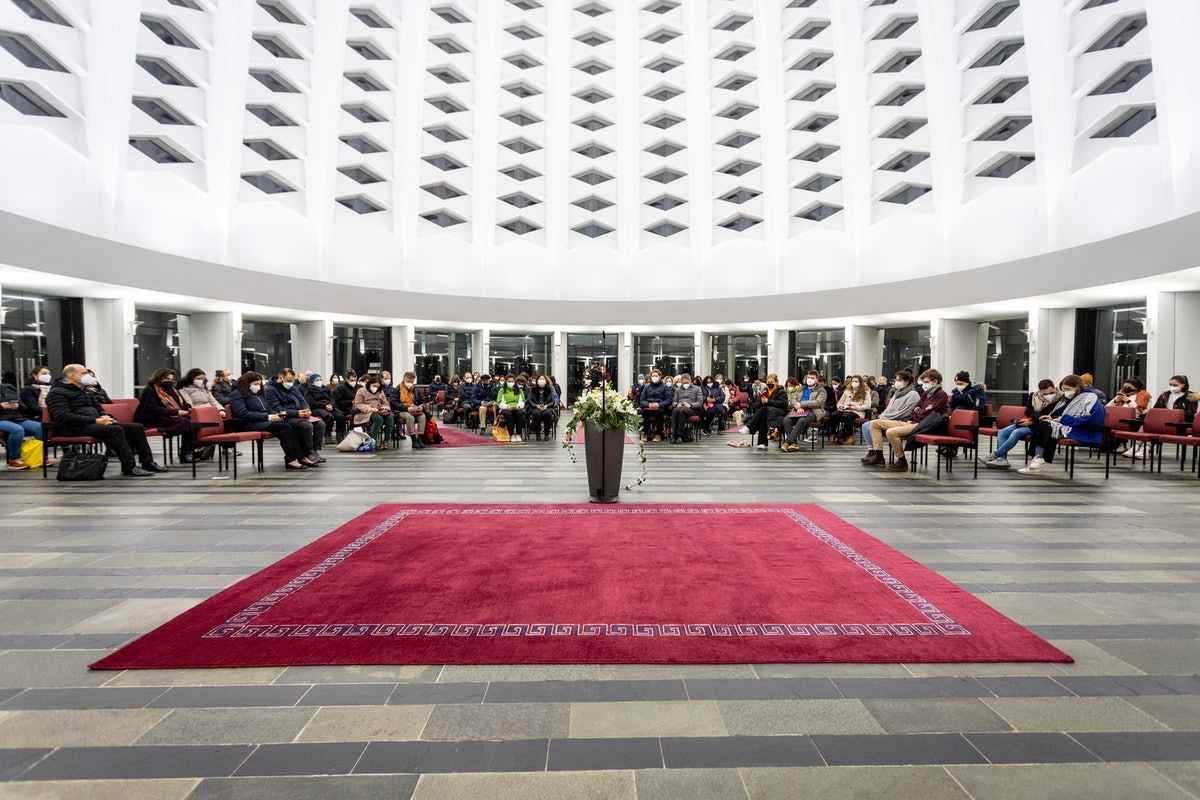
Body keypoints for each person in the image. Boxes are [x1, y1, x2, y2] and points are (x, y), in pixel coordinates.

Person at [46, 364, 167, 477]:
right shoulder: (57, 393)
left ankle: (148, 462)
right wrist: (95, 420)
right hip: (73, 428)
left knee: (136, 427)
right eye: (84, 373)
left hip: (94, 424)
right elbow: (63, 416)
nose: (87, 376)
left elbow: (99, 407)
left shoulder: (86, 391)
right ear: (72, 375)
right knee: (115, 430)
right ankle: (129, 467)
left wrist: (107, 417)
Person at [1017, 374, 1106, 475]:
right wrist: (1054, 418)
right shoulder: (1074, 397)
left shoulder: (1091, 398)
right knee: (1045, 424)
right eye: (1063, 390)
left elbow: (1090, 420)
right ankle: (1038, 458)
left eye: (1067, 389)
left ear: (1076, 387)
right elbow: (1062, 413)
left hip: (1085, 430)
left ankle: (1038, 459)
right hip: (1071, 426)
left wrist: (1064, 420)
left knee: (1047, 427)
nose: (1065, 392)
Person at [229, 371, 317, 469]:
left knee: (295, 425)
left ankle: (302, 456)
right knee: (284, 427)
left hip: (263, 421)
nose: (258, 386)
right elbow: (243, 414)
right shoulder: (237, 394)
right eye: (255, 384)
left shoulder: (257, 394)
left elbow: (268, 408)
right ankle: (290, 459)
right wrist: (269, 417)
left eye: (259, 384)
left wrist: (277, 414)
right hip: (249, 423)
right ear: (247, 383)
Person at [981, 379, 1059, 469]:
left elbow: (1054, 415)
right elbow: (1029, 411)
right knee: (1002, 432)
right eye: (1045, 394)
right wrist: (1038, 418)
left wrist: (1036, 420)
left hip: (1040, 426)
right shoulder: (1033, 396)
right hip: (1029, 422)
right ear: (1040, 391)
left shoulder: (1060, 398)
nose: (1048, 396)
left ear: (1054, 388)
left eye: (1051, 393)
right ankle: (1002, 459)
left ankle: (995, 455)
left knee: (1016, 433)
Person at [860, 369, 922, 468]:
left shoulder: (913, 395)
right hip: (890, 418)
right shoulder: (897, 393)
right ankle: (873, 452)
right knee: (865, 425)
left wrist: (884, 417)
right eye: (896, 380)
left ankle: (879, 455)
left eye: (899, 380)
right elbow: (889, 408)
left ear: (906, 381)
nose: (896, 382)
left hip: (902, 420)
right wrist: (883, 415)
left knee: (873, 424)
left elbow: (904, 412)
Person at [265, 368, 326, 462]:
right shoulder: (270, 390)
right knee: (306, 426)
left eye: (292, 381)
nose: (291, 383)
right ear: (281, 378)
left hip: (298, 414)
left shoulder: (293, 388)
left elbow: (303, 400)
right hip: (285, 416)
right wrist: (297, 413)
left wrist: (307, 409)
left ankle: (314, 451)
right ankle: (307, 452)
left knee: (320, 424)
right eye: (289, 381)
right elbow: (277, 408)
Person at [135, 368, 195, 462]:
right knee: (186, 422)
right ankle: (185, 453)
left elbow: (182, 402)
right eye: (167, 379)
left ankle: (188, 451)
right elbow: (153, 408)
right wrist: (175, 412)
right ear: (159, 378)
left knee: (192, 422)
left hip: (172, 415)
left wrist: (188, 409)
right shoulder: (151, 389)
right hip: (155, 418)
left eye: (171, 380)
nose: (169, 381)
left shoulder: (172, 389)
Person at [0, 378, 44, 469]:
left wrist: (18, 406)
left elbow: (24, 407)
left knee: (40, 427)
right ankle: (14, 459)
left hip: (16, 417)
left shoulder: (9, 388)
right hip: (1, 419)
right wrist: (1, 407)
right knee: (17, 430)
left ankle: (36, 455)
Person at [739, 373, 788, 450]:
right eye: (768, 382)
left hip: (779, 412)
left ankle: (749, 427)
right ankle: (762, 443)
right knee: (762, 416)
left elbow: (782, 403)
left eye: (771, 382)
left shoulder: (781, 391)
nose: (769, 383)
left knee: (763, 410)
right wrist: (761, 402)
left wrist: (768, 401)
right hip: (766, 412)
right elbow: (756, 405)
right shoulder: (764, 391)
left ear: (776, 382)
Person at [780, 370, 826, 451]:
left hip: (813, 411)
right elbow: (793, 399)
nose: (810, 379)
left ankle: (787, 442)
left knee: (801, 421)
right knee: (786, 420)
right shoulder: (801, 388)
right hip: (798, 410)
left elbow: (819, 402)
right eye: (808, 377)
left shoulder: (821, 390)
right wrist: (797, 407)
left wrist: (802, 404)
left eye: (812, 378)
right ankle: (794, 443)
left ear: (816, 379)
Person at [352, 374, 395, 447]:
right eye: (374, 386)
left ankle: (386, 440)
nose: (376, 388)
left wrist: (384, 408)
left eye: (378, 387)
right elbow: (358, 404)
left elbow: (385, 403)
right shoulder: (361, 391)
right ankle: (372, 440)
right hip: (365, 412)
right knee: (378, 419)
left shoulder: (380, 392)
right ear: (370, 384)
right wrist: (370, 408)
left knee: (390, 418)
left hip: (378, 411)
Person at [827, 375, 871, 445]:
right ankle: (833, 434)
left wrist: (855, 407)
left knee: (846, 416)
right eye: (852, 381)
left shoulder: (866, 392)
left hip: (857, 411)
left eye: (856, 381)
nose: (854, 383)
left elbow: (867, 405)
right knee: (834, 415)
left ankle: (851, 436)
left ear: (860, 382)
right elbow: (839, 403)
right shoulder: (847, 391)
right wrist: (841, 406)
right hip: (845, 409)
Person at [304, 374, 342, 441]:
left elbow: (332, 398)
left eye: (320, 380)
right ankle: (327, 435)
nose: (319, 381)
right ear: (312, 381)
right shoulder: (309, 391)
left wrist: (331, 404)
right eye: (317, 380)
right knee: (329, 417)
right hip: (317, 408)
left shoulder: (326, 389)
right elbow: (311, 403)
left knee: (340, 416)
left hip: (329, 406)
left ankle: (340, 434)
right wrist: (324, 406)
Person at [395, 371, 427, 449]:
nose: (410, 383)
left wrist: (421, 407)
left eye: (411, 382)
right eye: (408, 381)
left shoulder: (416, 389)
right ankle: (413, 439)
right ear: (404, 380)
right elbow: (394, 403)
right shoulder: (397, 389)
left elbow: (423, 401)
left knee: (422, 416)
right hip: (401, 410)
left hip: (415, 409)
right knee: (410, 417)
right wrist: (407, 408)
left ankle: (420, 438)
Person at [638, 369, 672, 442]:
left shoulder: (665, 387)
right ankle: (645, 433)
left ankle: (658, 434)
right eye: (653, 376)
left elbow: (669, 400)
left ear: (660, 377)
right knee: (644, 412)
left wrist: (659, 404)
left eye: (656, 376)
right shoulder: (646, 387)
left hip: (660, 407)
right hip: (649, 407)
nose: (654, 377)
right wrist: (648, 404)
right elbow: (641, 399)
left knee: (659, 413)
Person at [669, 373, 703, 443]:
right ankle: (674, 435)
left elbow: (699, 402)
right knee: (675, 410)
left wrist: (690, 405)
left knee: (682, 411)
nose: (685, 384)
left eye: (687, 382)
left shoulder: (697, 389)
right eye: (683, 383)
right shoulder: (678, 390)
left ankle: (679, 435)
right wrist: (677, 405)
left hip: (692, 409)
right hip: (680, 407)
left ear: (690, 381)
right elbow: (674, 402)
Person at [494, 374, 524, 442]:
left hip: (516, 407)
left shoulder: (519, 390)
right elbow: (499, 402)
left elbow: (522, 401)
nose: (511, 383)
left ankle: (519, 434)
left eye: (512, 381)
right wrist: (507, 407)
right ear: (506, 382)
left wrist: (518, 406)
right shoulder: (502, 390)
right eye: (509, 381)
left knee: (520, 413)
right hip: (505, 408)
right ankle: (511, 434)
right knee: (508, 414)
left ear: (514, 381)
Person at [528, 375, 556, 441]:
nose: (541, 380)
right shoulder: (533, 389)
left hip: (547, 407)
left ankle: (546, 434)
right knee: (537, 414)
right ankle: (538, 434)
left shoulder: (549, 389)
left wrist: (546, 406)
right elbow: (529, 400)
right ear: (537, 380)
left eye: (543, 379)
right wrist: (536, 406)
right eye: (540, 379)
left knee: (547, 414)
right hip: (535, 407)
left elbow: (552, 401)